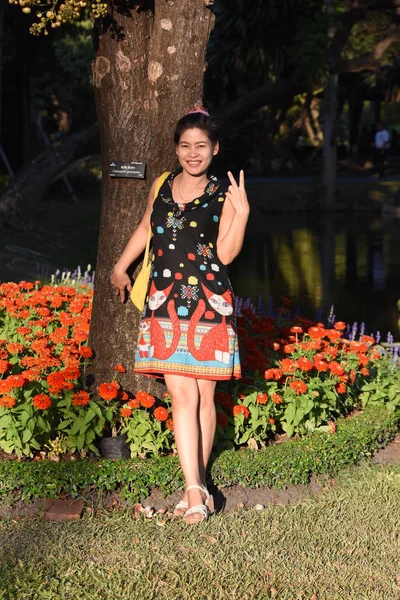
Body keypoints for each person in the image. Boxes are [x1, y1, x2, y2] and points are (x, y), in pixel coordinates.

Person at [111, 107, 249, 523]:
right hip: (165, 302)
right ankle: (193, 492)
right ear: (177, 149)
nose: (193, 153)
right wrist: (120, 266)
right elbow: (145, 227)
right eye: (186, 146)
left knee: (205, 397)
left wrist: (241, 214)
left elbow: (225, 254)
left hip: (209, 303)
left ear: (215, 149)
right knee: (182, 396)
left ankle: (199, 485)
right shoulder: (163, 184)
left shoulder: (225, 194)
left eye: (201, 146)